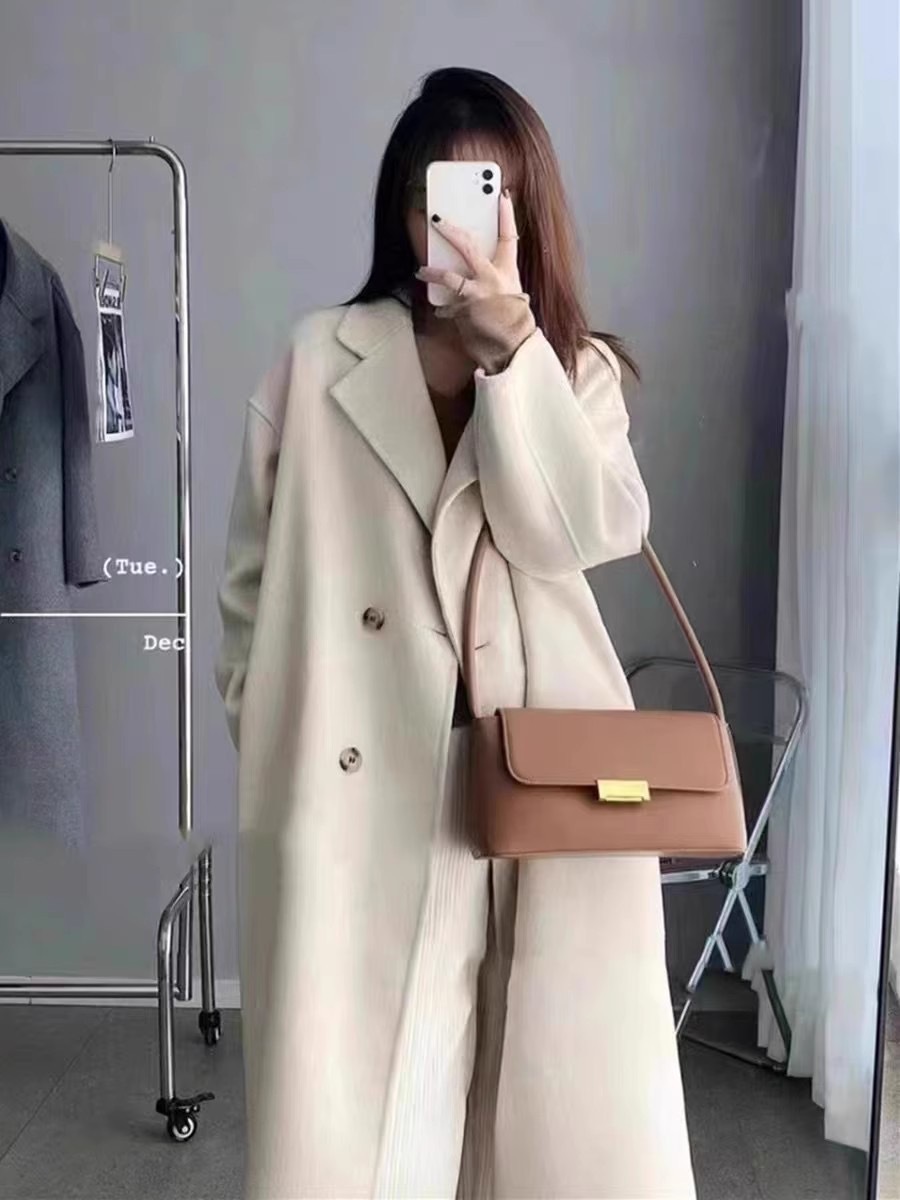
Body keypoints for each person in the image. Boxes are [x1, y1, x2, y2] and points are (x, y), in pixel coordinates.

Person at [214, 66, 696, 1200]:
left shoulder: (572, 369)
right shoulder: (318, 357)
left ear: (528, 213)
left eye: (496, 196)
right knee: (367, 1129)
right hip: (361, 788)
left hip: (541, 782)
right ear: (404, 208)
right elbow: (247, 587)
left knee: (544, 1116)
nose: (468, 227)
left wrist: (514, 358)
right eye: (442, 195)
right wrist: (276, 734)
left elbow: (577, 532)